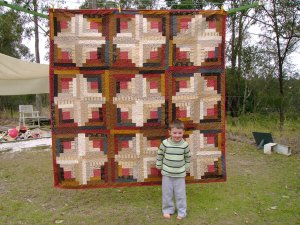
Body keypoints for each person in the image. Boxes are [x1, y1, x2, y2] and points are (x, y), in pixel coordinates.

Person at [156, 119, 191, 220]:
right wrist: (159, 164)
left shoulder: (184, 145)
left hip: (180, 174)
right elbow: (160, 154)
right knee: (167, 193)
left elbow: (188, 157)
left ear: (183, 132)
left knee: (180, 194)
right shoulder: (165, 143)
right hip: (167, 173)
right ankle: (168, 210)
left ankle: (182, 212)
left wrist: (186, 167)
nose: (177, 135)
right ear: (169, 132)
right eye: (174, 133)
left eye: (179, 133)